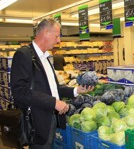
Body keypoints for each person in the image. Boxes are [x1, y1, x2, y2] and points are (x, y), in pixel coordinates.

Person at [10, 18, 94, 149]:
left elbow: (52, 88)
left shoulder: (46, 58)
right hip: (37, 122)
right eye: (57, 36)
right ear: (46, 33)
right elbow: (20, 92)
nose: (59, 40)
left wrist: (76, 90)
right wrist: (54, 102)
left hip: (51, 119)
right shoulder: (23, 55)